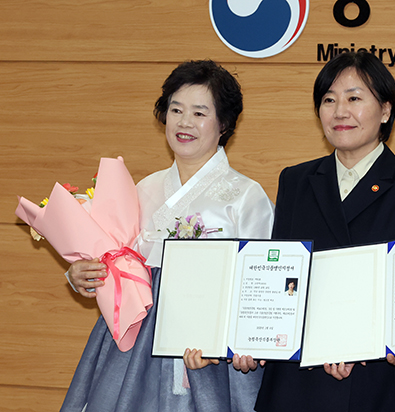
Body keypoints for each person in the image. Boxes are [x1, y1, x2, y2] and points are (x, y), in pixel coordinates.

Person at [61, 60, 274, 412]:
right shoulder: (143, 188)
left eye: (199, 112)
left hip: (209, 353)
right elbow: (116, 265)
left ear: (224, 124)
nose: (184, 122)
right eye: (176, 109)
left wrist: (237, 345)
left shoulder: (245, 195)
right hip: (136, 343)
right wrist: (80, 275)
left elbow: (260, 286)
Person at [252, 51, 395, 412]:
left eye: (354, 98)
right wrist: (254, 339)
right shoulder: (295, 180)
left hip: (376, 383)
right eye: (329, 100)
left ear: (385, 110)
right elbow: (282, 278)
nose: (340, 111)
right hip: (296, 383)